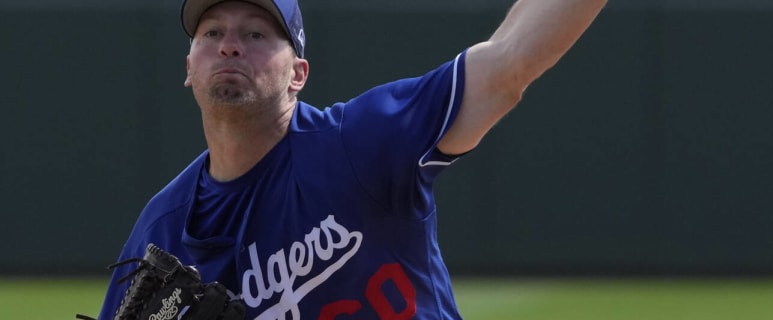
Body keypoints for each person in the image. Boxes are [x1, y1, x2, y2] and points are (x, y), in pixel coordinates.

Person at [97, 0, 607, 318]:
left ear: (298, 73)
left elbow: (508, 64)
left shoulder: (359, 142)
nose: (230, 46)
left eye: (256, 34)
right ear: (189, 68)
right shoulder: (162, 229)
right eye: (211, 33)